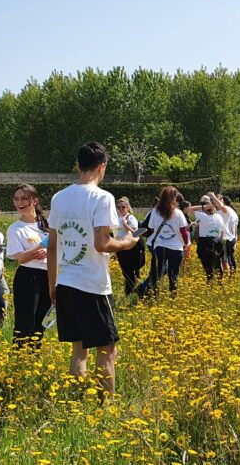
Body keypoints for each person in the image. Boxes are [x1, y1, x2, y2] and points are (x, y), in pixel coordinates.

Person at [47, 142, 138, 398]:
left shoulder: (58, 197)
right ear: (102, 167)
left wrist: (52, 285)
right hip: (92, 285)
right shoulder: (102, 197)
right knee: (107, 350)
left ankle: (76, 403)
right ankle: (105, 407)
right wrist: (127, 243)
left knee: (79, 350)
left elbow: (52, 247)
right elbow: (102, 243)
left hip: (65, 283)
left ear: (78, 165)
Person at [7, 184, 51, 347]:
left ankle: (34, 358)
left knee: (41, 323)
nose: (20, 202)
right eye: (17, 199)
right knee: (25, 323)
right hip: (27, 277)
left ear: (34, 201)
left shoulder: (45, 224)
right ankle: (19, 358)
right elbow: (21, 258)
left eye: (24, 198)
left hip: (47, 276)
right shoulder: (15, 229)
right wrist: (41, 246)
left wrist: (48, 250)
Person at [136, 187, 189, 296]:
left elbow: (151, 228)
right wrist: (186, 243)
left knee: (155, 273)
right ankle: (172, 296)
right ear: (174, 198)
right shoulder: (178, 213)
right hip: (176, 248)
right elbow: (184, 231)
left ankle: (150, 294)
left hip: (159, 247)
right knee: (174, 275)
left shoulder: (155, 211)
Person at [185, 194, 226, 283]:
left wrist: (203, 207)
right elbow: (222, 232)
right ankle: (220, 282)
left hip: (205, 242)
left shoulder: (201, 216)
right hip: (217, 241)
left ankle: (210, 282)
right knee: (217, 264)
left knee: (208, 266)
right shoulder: (219, 217)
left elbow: (188, 209)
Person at [114, 197, 145, 299]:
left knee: (129, 273)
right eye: (119, 207)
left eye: (123, 207)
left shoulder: (130, 218)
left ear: (128, 207)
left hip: (131, 248)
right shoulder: (115, 219)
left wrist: (125, 225)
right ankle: (130, 293)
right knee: (125, 272)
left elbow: (137, 233)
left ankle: (130, 293)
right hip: (120, 248)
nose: (121, 209)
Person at [221, 195, 239, 273]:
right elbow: (235, 228)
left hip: (227, 237)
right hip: (233, 237)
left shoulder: (226, 212)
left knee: (225, 259)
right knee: (230, 257)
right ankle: (232, 273)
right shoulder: (233, 212)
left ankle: (229, 275)